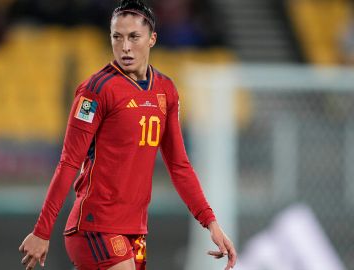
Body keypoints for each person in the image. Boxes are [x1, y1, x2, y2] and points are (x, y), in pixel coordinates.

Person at [19, 0, 237, 269]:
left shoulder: (166, 91)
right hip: (95, 226)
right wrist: (42, 231)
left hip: (135, 229)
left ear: (152, 39)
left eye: (134, 37)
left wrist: (211, 223)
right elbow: (69, 162)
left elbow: (179, 165)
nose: (125, 46)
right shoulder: (95, 91)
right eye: (117, 37)